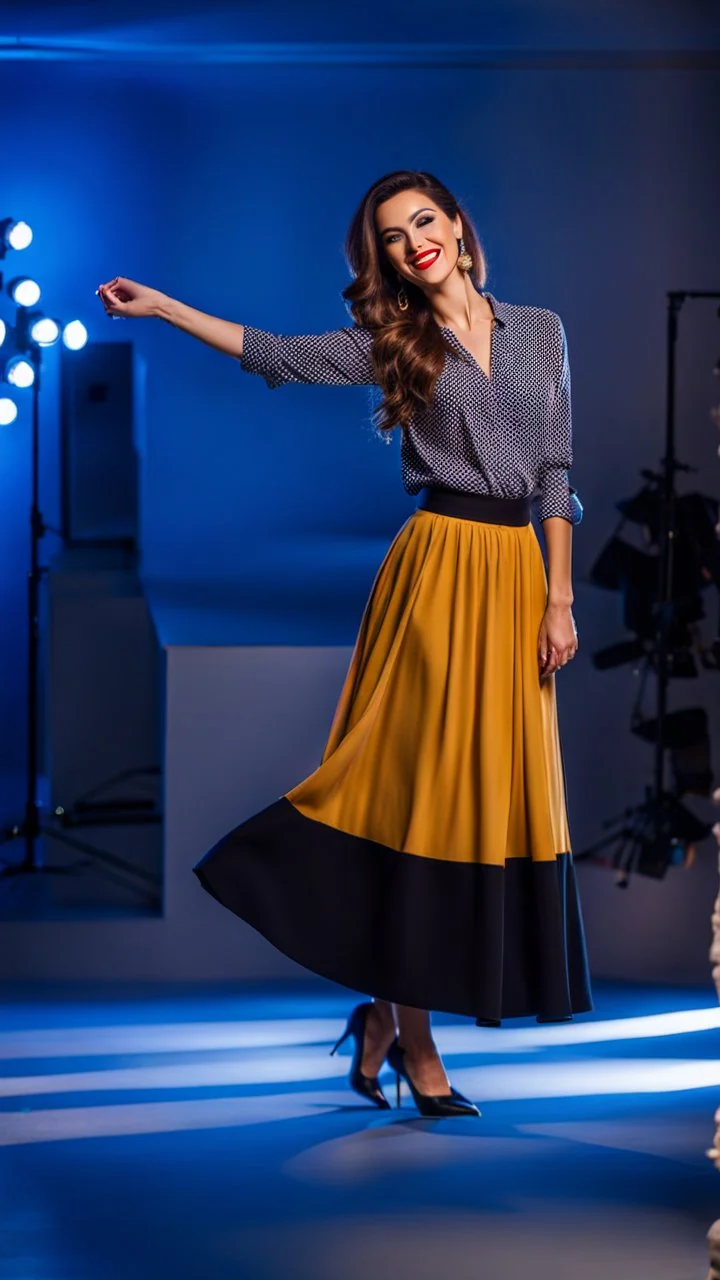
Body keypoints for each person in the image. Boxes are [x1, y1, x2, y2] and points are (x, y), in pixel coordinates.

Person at [97, 168, 592, 1119]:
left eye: (426, 221)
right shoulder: (396, 343)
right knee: (414, 793)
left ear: (456, 225)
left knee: (484, 794)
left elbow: (559, 467)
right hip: (435, 573)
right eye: (396, 237)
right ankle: (416, 1041)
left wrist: (559, 598)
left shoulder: (542, 331)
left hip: (518, 574)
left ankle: (384, 1020)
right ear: (390, 262)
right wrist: (163, 308)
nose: (416, 242)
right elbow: (275, 353)